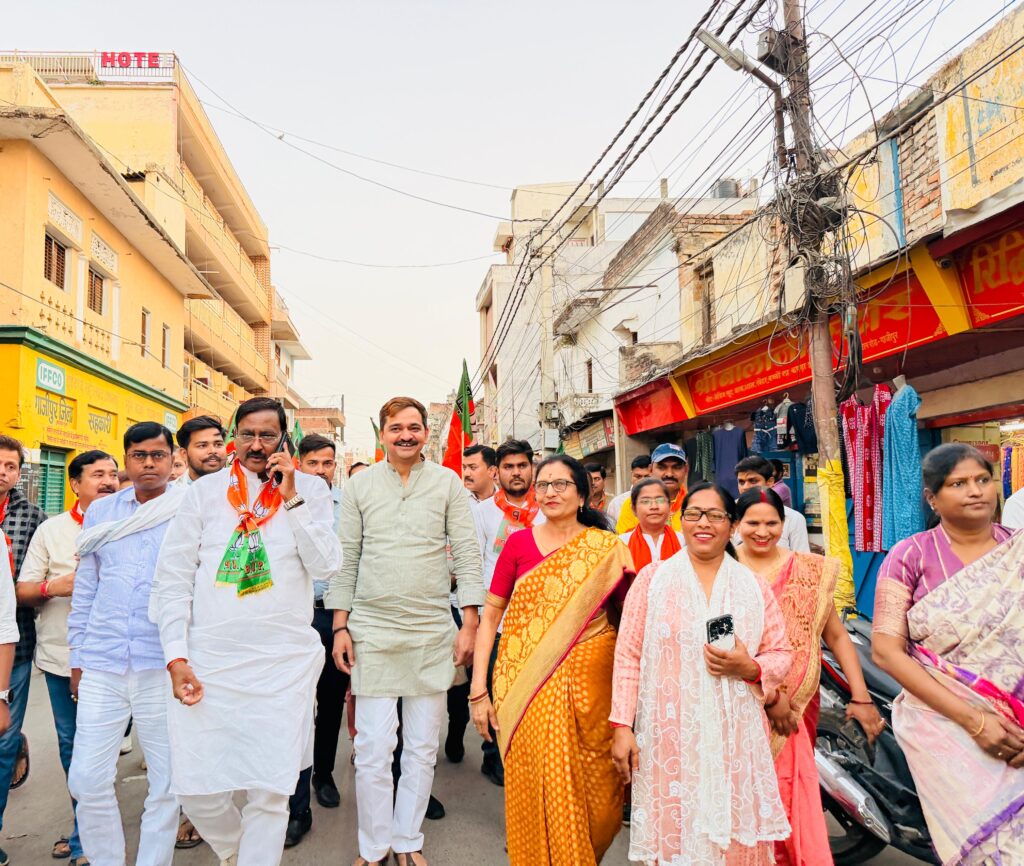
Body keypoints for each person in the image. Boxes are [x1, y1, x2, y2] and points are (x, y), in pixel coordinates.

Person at [150, 397, 341, 866]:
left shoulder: (310, 490)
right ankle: (239, 850)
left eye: (268, 435)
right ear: (234, 437)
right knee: (196, 789)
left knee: (272, 791)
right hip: (210, 659)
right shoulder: (203, 492)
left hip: (282, 663)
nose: (257, 445)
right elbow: (172, 579)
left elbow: (326, 565)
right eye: (247, 434)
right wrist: (176, 656)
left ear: (284, 439)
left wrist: (292, 497)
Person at [327, 396, 482, 866]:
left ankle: (408, 839)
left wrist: (469, 621)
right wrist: (340, 625)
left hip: (431, 630)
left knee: (421, 747)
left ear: (425, 434)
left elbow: (467, 553)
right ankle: (373, 846)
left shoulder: (447, 482)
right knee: (374, 747)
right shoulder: (360, 486)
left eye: (414, 427)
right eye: (396, 428)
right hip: (372, 629)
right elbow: (346, 557)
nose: (406, 435)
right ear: (382, 435)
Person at [610, 482, 793, 866]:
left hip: (734, 741)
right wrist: (622, 726)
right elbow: (628, 656)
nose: (703, 523)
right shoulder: (652, 580)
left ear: (732, 525)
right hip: (670, 739)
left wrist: (750, 668)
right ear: (682, 521)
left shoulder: (752, 586)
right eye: (694, 514)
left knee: (735, 844)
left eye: (715, 515)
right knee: (677, 837)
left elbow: (780, 653)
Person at [471, 454, 633, 866]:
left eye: (561, 484)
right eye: (543, 485)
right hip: (527, 687)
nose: (550, 492)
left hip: (595, 688)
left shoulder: (606, 549)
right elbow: (491, 617)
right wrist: (478, 691)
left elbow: (630, 622)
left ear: (582, 494)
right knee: (537, 785)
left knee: (603, 802)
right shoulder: (518, 544)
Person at [872, 443, 1024, 864]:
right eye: (959, 483)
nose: (975, 491)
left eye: (983, 480)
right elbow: (886, 651)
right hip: (945, 724)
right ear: (933, 498)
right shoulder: (909, 556)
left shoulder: (1018, 551)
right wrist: (976, 721)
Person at [734, 487, 883, 866]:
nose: (762, 532)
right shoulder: (724, 568)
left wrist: (861, 696)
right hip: (735, 697)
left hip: (796, 701)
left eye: (772, 523)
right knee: (738, 791)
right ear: (737, 525)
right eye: (753, 523)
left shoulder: (809, 571)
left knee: (790, 787)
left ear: (784, 524)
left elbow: (837, 636)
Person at [67, 422, 184, 866]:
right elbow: (86, 588)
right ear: (126, 461)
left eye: (158, 455)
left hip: (162, 662)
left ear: (172, 459)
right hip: (103, 659)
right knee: (86, 778)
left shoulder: (188, 508)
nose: (149, 463)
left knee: (167, 781)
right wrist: (77, 657)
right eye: (139, 455)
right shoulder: (102, 511)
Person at [17, 450, 118, 865]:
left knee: (110, 749)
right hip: (63, 660)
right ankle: (85, 836)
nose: (109, 481)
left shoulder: (131, 524)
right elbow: (23, 591)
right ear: (75, 484)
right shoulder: (52, 531)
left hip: (123, 660)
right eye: (98, 474)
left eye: (113, 473)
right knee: (73, 746)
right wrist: (54, 587)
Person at [466, 438, 542, 786]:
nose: (516, 473)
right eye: (509, 467)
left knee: (531, 690)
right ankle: (494, 757)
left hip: (539, 619)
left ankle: (527, 754)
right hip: (496, 620)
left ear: (532, 468)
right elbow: (474, 565)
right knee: (498, 691)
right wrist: (475, 617)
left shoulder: (546, 510)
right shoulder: (483, 513)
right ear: (497, 472)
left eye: (522, 465)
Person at [286, 433, 348, 849]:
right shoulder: (280, 501)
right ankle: (296, 803)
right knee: (294, 709)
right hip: (293, 618)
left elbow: (350, 560)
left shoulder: (348, 505)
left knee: (330, 703)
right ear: (298, 465)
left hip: (332, 616)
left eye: (328, 463)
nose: (322, 471)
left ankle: (323, 775)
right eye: (313, 463)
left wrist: (344, 623)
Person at [0, 434, 48, 860]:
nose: (2, 472)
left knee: (0, 739)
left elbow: (37, 579)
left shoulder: (33, 518)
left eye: (10, 466)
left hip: (14, 642)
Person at [734, 456, 810, 552]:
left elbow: (802, 557)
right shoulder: (728, 513)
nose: (745, 487)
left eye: (753, 481)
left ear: (769, 482)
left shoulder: (793, 518)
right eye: (741, 482)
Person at [616, 443, 687, 533]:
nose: (669, 474)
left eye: (676, 467)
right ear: (650, 470)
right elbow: (624, 540)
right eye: (662, 467)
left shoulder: (694, 503)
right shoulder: (632, 504)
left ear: (686, 469)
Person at [618, 477, 682, 571]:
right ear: (634, 509)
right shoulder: (621, 544)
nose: (654, 506)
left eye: (660, 500)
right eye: (645, 501)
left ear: (670, 507)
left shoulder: (683, 541)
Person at [175, 415, 228, 484]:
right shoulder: (170, 490)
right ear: (184, 454)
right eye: (202, 446)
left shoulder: (240, 485)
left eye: (218, 444)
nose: (213, 451)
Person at [606, 455, 652, 525]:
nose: (642, 481)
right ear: (631, 474)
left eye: (647, 477)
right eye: (638, 476)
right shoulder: (617, 503)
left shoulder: (661, 502)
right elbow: (610, 530)